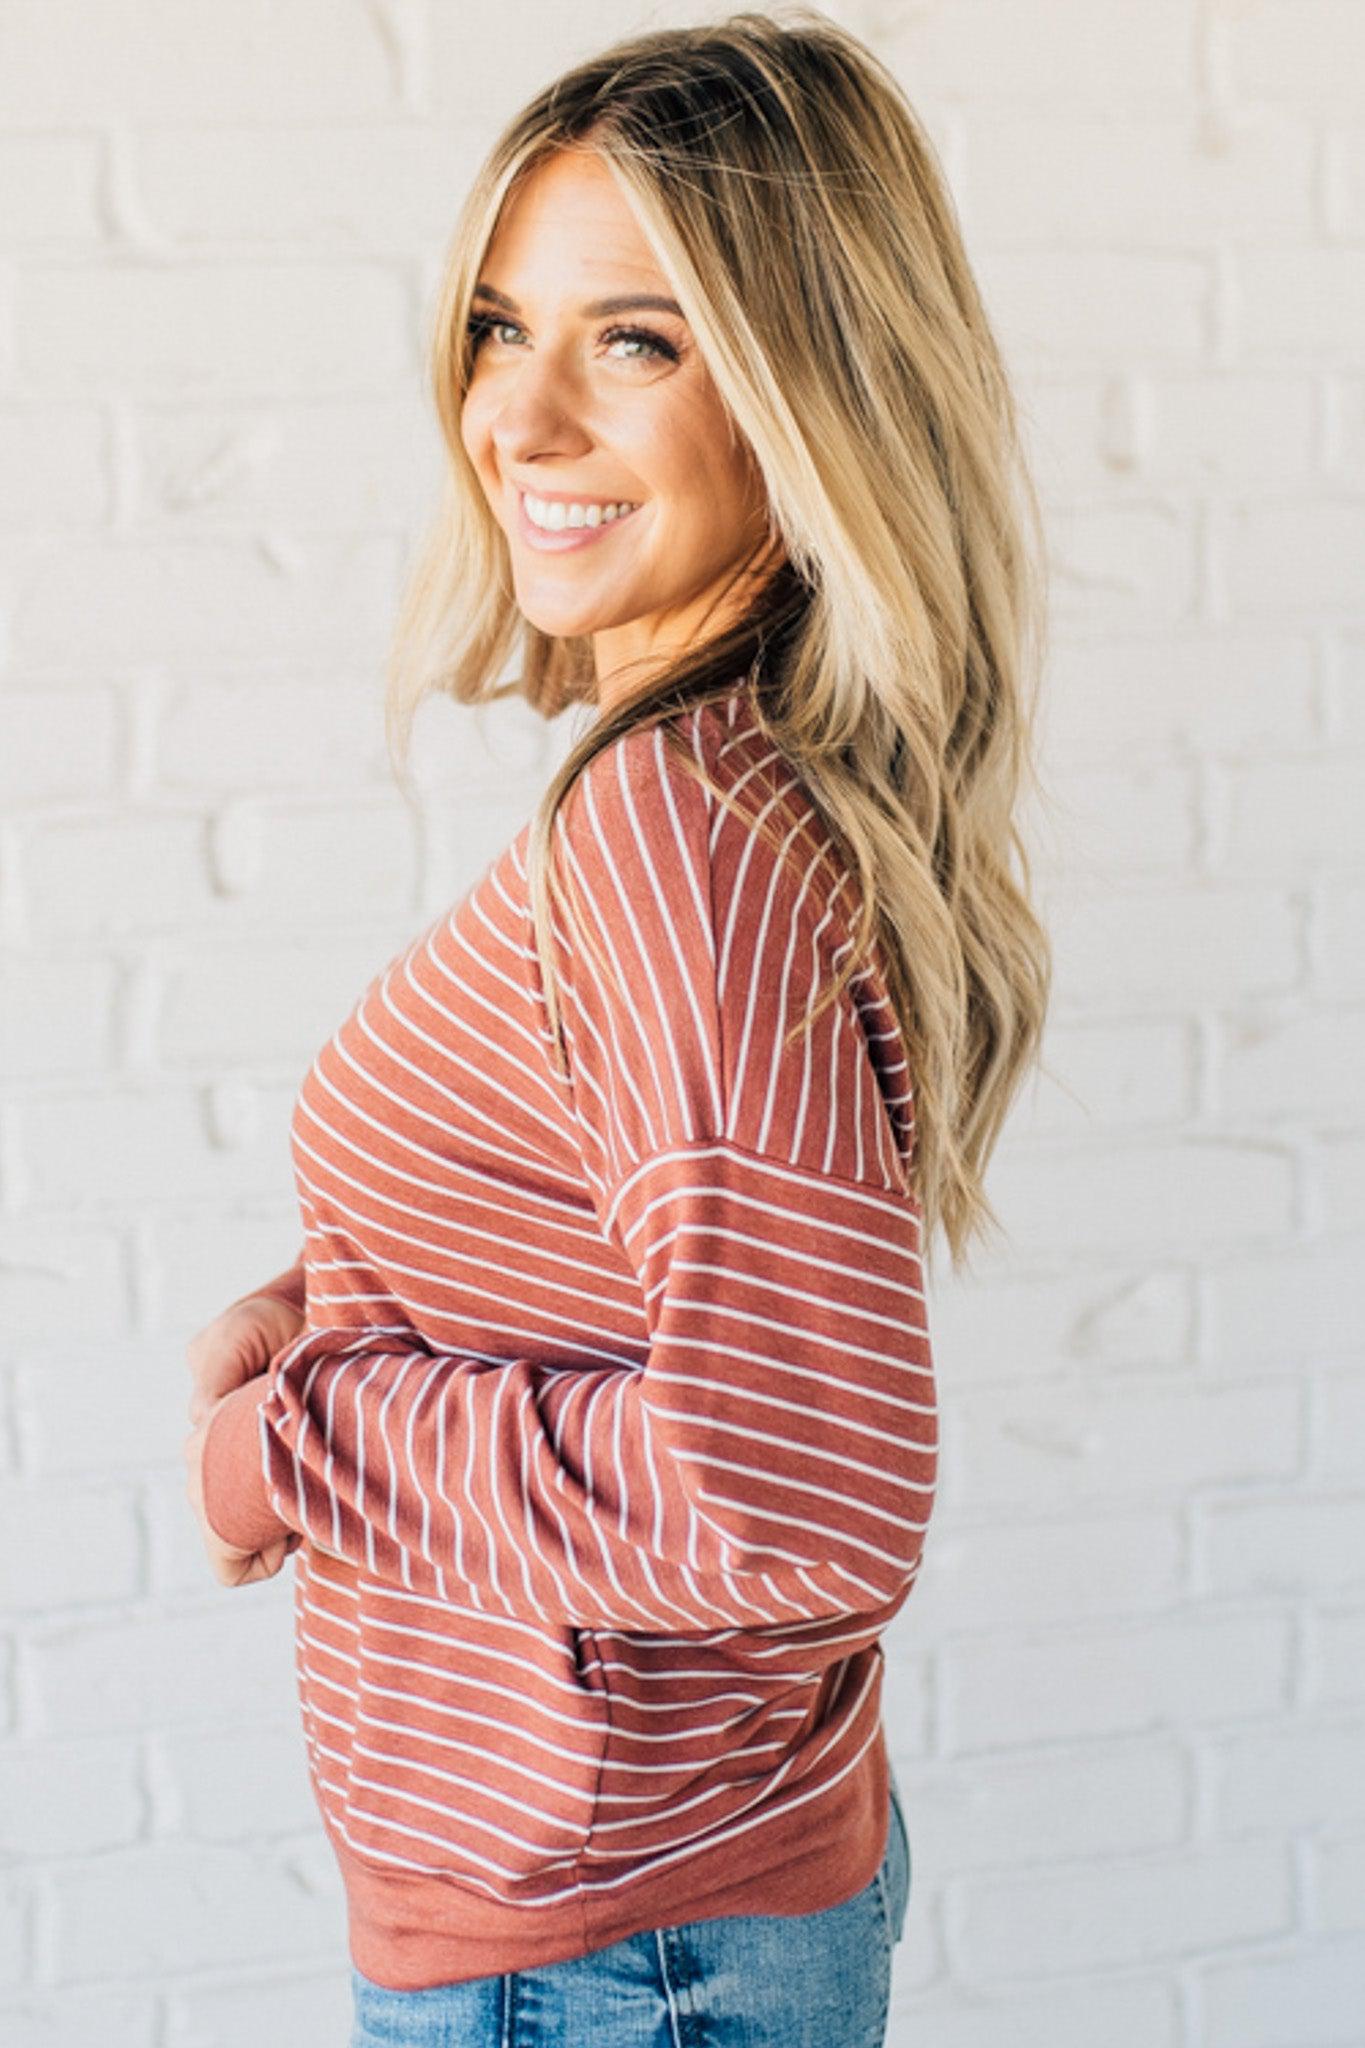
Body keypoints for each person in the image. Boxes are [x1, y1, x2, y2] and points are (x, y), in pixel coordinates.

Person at [181, 8, 1052, 2042]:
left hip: (610, 1953)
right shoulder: (717, 778)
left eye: (633, 340)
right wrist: (346, 1289)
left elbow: (792, 1497)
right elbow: (638, 1262)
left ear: (802, 392)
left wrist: (300, 1448)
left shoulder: (673, 841)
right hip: (635, 1913)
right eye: (501, 326)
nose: (521, 416)